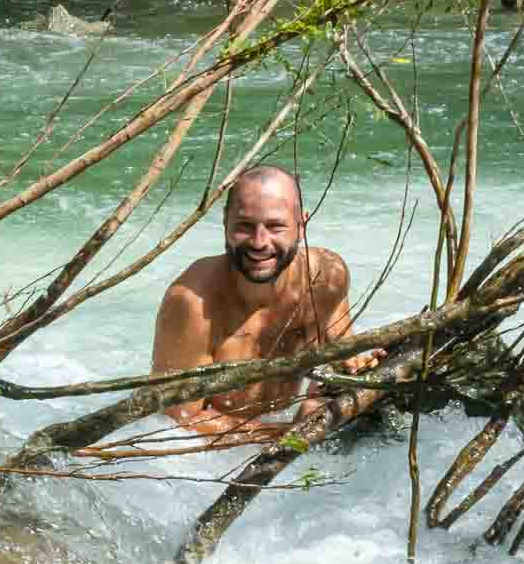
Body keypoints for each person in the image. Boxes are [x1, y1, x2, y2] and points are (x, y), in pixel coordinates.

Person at [148, 165, 381, 447]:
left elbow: (341, 357)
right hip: (212, 457)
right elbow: (178, 422)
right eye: (245, 226)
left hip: (281, 431)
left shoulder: (326, 278)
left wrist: (353, 375)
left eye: (275, 227)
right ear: (225, 223)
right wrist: (289, 433)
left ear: (301, 225)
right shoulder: (192, 304)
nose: (259, 242)